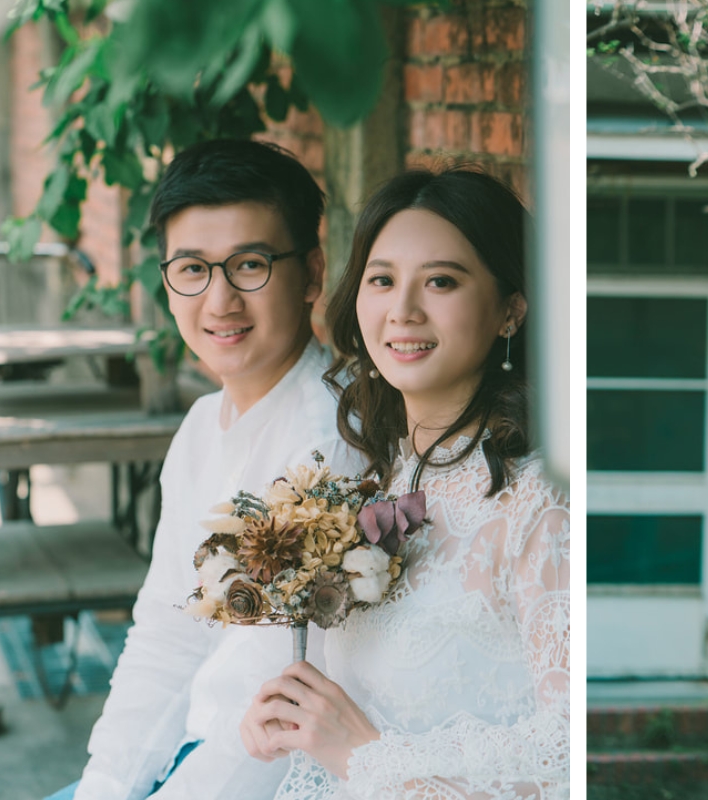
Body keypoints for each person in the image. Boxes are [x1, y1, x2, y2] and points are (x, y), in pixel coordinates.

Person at [239, 168, 570, 799]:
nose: (403, 311)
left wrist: (364, 755)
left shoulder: (541, 503)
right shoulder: (372, 478)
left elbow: (567, 754)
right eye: (382, 280)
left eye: (441, 281)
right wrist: (291, 719)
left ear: (511, 308)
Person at [49, 139, 365, 800]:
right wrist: (103, 785)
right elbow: (166, 631)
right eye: (192, 269)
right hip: (184, 758)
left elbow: (273, 707)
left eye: (250, 264)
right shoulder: (199, 428)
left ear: (311, 273)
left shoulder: (332, 447)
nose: (219, 300)